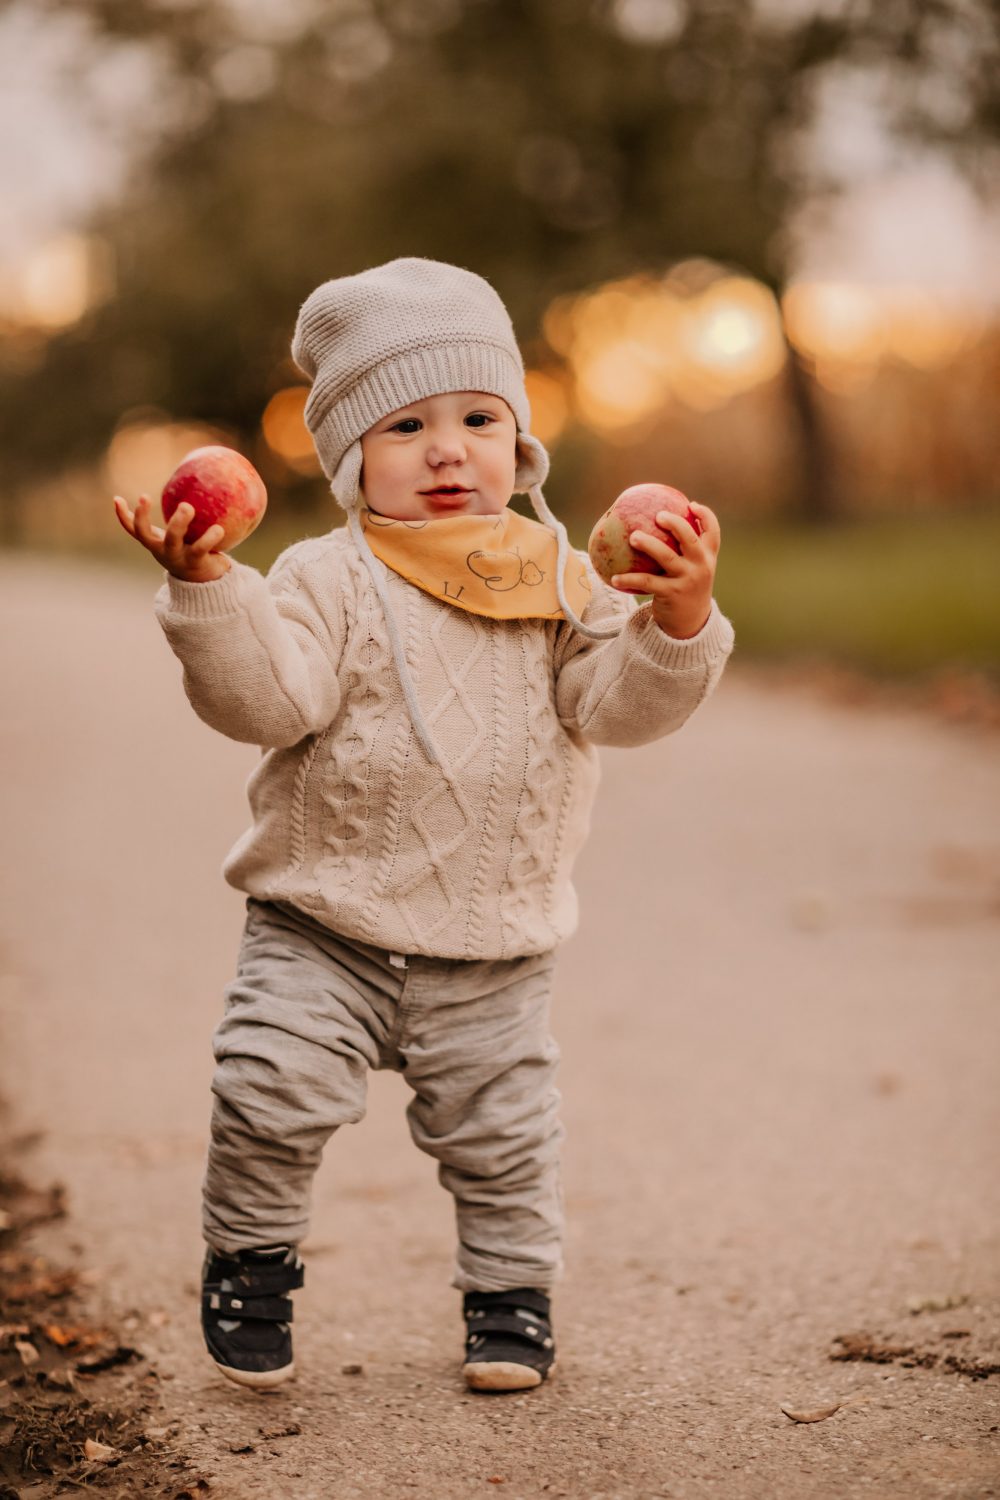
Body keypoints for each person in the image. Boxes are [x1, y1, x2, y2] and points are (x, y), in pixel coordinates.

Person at [113, 257, 734, 1395]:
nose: (449, 448)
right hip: (322, 921)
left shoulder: (559, 576)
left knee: (504, 1138)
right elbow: (267, 701)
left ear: (521, 443)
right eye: (406, 424)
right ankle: (250, 1261)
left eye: (479, 418)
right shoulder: (323, 578)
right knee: (265, 1089)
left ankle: (510, 1295)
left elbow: (618, 711)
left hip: (493, 938)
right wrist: (211, 592)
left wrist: (677, 620)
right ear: (352, 456)